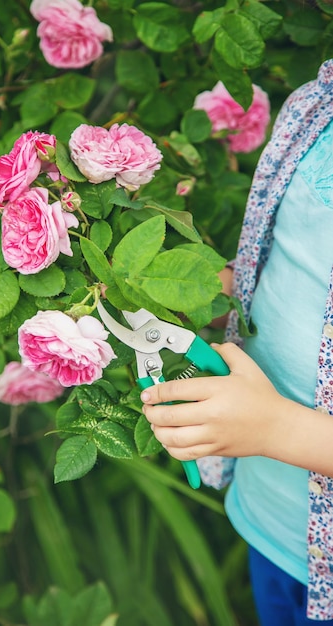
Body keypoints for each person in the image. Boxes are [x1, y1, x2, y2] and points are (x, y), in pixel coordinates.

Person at [140, 58, 333, 625]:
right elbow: (289, 267)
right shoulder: (317, 108)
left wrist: (276, 427)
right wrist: (211, 293)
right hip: (271, 521)